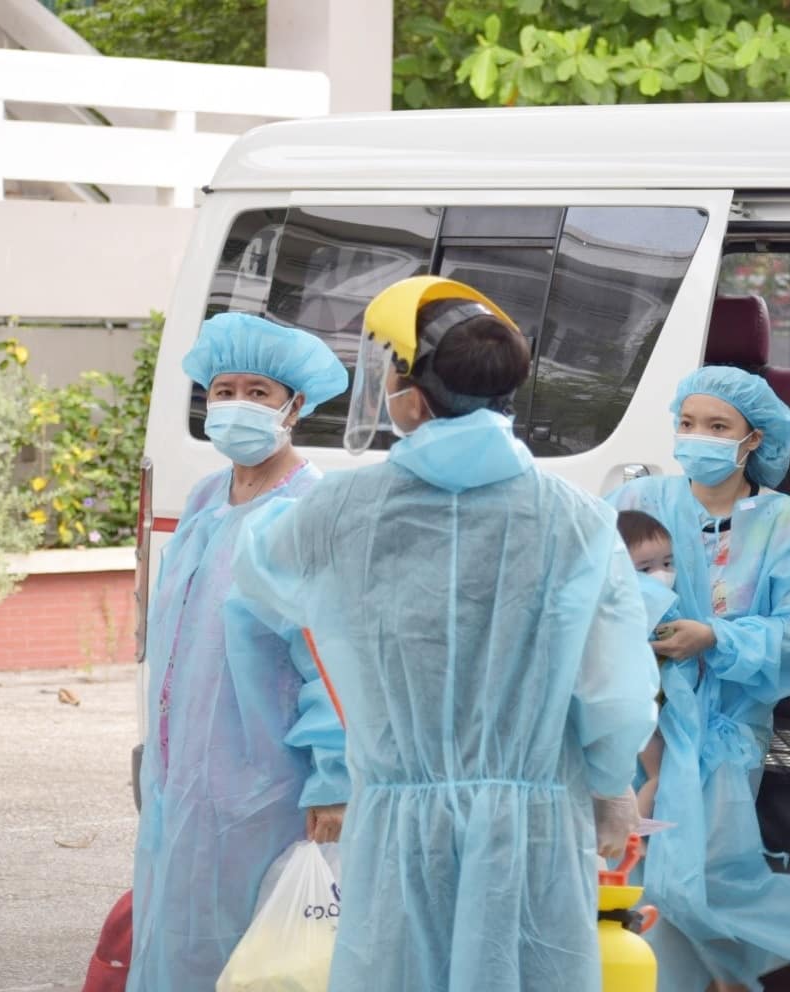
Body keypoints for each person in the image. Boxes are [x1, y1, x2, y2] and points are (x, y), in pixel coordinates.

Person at [231, 276, 659, 992]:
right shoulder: (576, 519)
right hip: (531, 824)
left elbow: (260, 571)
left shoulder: (339, 510)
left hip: (400, 827)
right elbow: (612, 685)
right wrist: (613, 784)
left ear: (412, 398)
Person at [608, 365, 790, 992]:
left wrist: (715, 637)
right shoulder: (638, 503)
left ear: (753, 439)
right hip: (638, 722)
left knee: (705, 879)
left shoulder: (785, 524)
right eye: (688, 423)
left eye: (718, 427)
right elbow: (589, 591)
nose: (699, 437)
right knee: (630, 873)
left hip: (725, 728)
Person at [129, 312, 351, 992]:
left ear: (296, 406)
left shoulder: (310, 511)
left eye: (258, 392)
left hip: (264, 785)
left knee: (250, 953)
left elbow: (333, 662)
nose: (236, 405)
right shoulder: (204, 501)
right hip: (179, 778)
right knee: (173, 934)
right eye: (224, 390)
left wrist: (334, 779)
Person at [617, 509, 679, 820]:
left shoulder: (666, 607)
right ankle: (632, 830)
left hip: (650, 705)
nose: (661, 575)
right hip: (632, 704)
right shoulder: (619, 607)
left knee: (655, 772)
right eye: (645, 568)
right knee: (651, 771)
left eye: (667, 564)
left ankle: (635, 828)